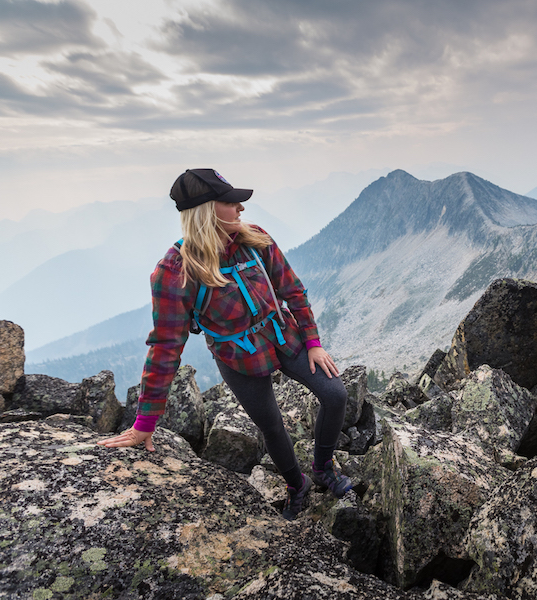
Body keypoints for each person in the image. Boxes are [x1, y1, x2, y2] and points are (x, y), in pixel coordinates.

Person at [97, 168, 351, 520]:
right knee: (271, 426)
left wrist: (313, 342)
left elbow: (293, 291)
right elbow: (165, 348)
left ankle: (323, 468)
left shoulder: (256, 240)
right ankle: (298, 485)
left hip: (282, 334)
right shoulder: (175, 272)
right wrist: (145, 422)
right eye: (231, 202)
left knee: (335, 394)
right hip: (239, 357)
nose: (241, 208)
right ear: (208, 211)